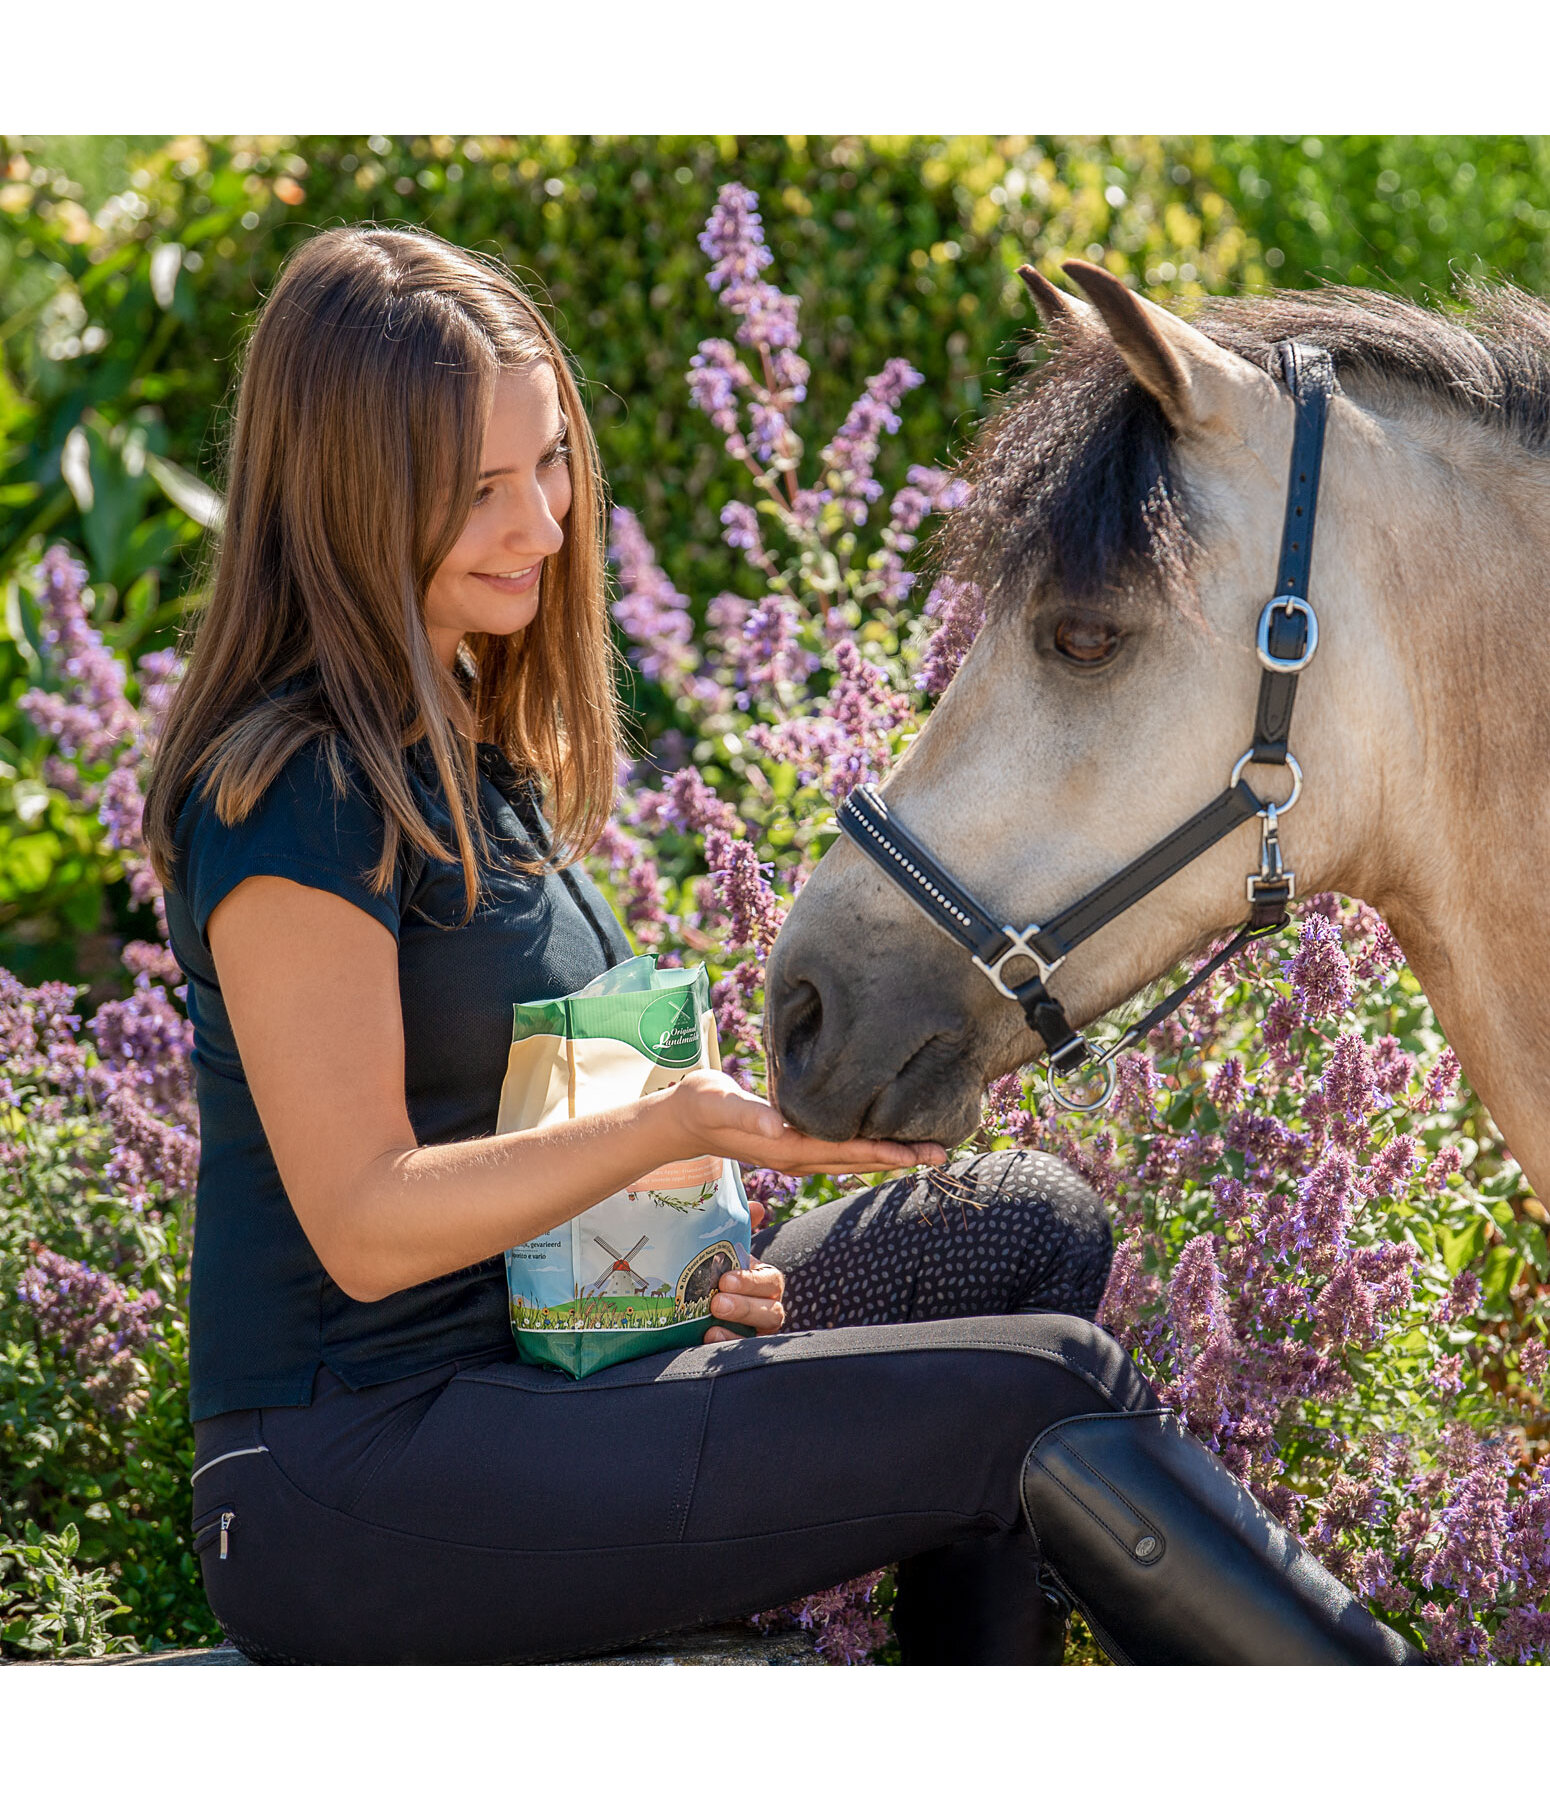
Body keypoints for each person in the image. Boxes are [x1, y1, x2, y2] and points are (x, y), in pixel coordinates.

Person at [144, 224, 1419, 1667]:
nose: (544, 526)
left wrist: (687, 1258)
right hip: (347, 1482)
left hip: (540, 1376)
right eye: (479, 491)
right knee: (1036, 1397)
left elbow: (520, 1141)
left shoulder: (468, 756)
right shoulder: (292, 791)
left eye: (550, 462)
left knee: (1024, 1226)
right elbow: (368, 1225)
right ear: (348, 497)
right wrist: (678, 1128)